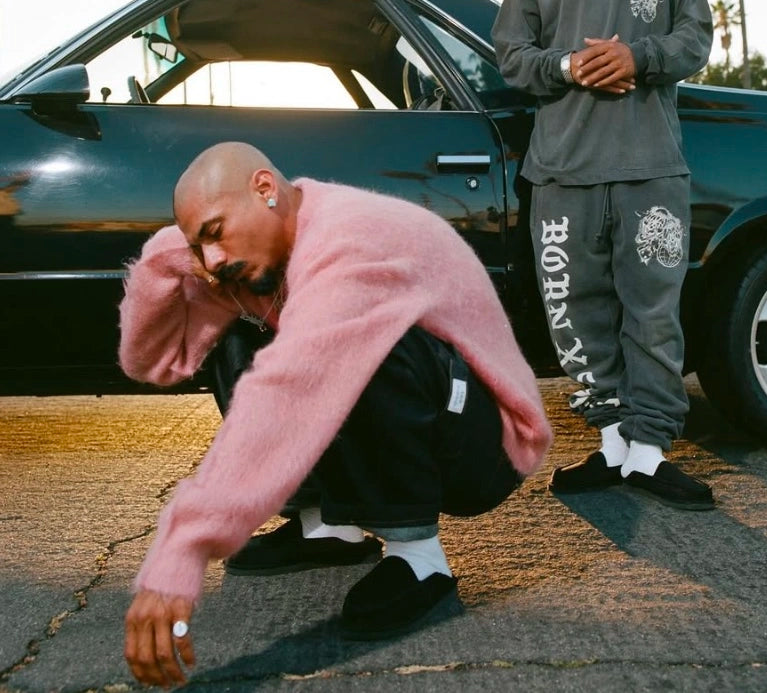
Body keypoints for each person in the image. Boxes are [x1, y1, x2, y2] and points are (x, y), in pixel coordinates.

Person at [119, 141, 552, 688]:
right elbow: (152, 362)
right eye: (197, 245)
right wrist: (165, 259)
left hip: (488, 443)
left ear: (264, 189)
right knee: (238, 331)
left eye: (214, 232)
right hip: (434, 415)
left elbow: (292, 389)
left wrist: (181, 549)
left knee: (363, 348)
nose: (212, 259)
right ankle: (328, 525)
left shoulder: (353, 240)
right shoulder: (257, 256)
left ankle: (419, 558)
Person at [492, 0, 714, 511]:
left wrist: (637, 57)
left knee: (651, 312)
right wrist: (569, 63)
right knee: (575, 315)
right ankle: (613, 444)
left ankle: (649, 454)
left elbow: (694, 36)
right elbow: (511, 57)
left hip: (650, 168)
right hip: (561, 171)